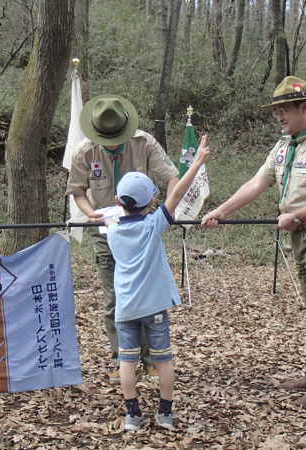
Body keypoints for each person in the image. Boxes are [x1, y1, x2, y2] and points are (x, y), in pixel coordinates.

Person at [201, 76, 306, 408]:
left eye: (285, 110)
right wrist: (222, 210)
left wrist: (296, 217)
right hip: (301, 235)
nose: (280, 116)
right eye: (276, 111)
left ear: (305, 107)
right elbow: (258, 183)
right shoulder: (284, 146)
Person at [66, 94, 180, 383]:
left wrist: (157, 207)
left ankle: (152, 359)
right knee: (115, 297)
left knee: (148, 296)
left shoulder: (145, 143)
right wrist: (92, 214)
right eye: (106, 139)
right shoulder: (84, 152)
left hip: (142, 231)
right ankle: (122, 359)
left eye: (117, 138)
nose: (111, 144)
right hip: (106, 232)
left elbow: (172, 178)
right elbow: (77, 191)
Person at [105, 136, 211, 431]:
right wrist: (198, 162)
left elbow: (112, 221)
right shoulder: (153, 226)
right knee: (163, 360)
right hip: (153, 308)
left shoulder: (112, 232)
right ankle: (165, 414)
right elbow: (176, 194)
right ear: (152, 202)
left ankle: (132, 415)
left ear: (117, 202)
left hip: (125, 309)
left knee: (127, 363)